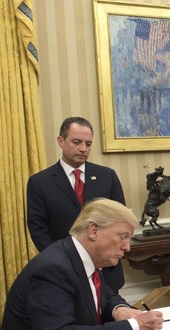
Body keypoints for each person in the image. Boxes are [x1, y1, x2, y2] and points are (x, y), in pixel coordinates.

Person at [0, 198, 164, 330]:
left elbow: (105, 294)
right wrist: (133, 327)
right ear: (93, 231)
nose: (127, 247)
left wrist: (119, 309)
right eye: (122, 237)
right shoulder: (53, 269)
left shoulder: (81, 259)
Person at [27, 117, 128, 290]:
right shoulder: (40, 182)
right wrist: (63, 261)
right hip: (64, 272)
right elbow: (39, 229)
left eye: (88, 144)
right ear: (61, 141)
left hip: (106, 272)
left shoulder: (107, 176)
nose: (83, 149)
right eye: (76, 142)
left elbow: (121, 221)